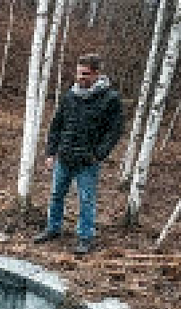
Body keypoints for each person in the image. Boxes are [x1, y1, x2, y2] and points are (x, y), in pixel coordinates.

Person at [34, 53, 124, 255]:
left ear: (96, 74)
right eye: (78, 73)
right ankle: (53, 228)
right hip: (64, 157)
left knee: (86, 199)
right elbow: (57, 125)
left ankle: (85, 237)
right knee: (56, 194)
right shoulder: (70, 95)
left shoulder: (111, 99)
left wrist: (98, 155)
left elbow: (115, 131)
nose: (80, 78)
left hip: (88, 161)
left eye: (85, 74)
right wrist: (51, 152)